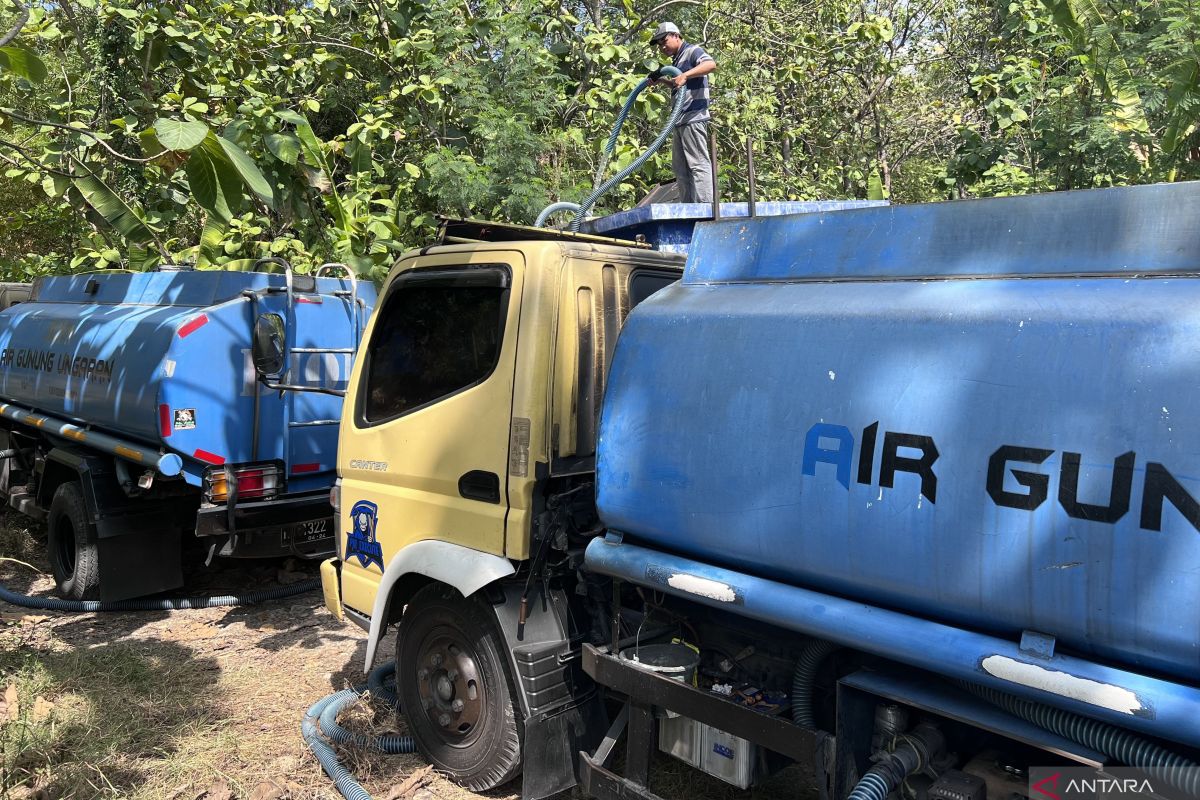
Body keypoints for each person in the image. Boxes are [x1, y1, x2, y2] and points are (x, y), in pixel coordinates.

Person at [650, 21, 717, 203]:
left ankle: (705, 207)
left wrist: (685, 75)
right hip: (679, 120)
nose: (662, 47)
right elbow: (679, 84)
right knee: (680, 169)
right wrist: (662, 80)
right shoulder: (677, 60)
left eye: (664, 41)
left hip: (693, 117)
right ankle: (688, 209)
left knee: (698, 164)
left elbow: (710, 64)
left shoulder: (692, 51)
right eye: (659, 45)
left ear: (676, 36)